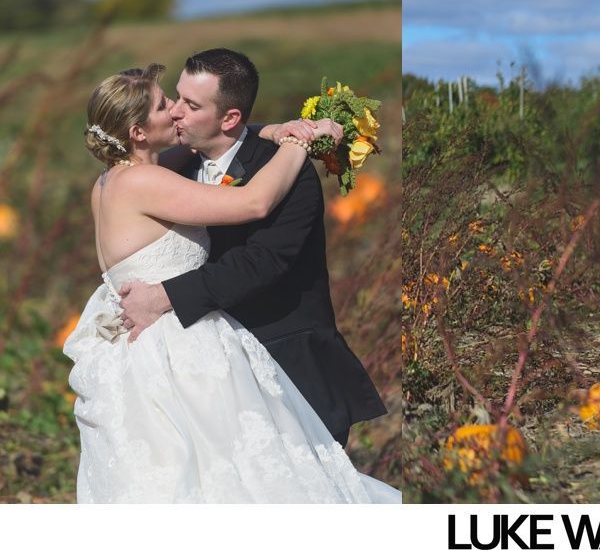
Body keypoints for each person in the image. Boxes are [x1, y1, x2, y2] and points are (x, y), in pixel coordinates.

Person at [64, 63, 399, 502]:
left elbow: (228, 139)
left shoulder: (111, 180)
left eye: (185, 102)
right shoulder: (147, 179)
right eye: (167, 104)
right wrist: (301, 141)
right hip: (176, 350)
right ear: (138, 132)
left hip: (146, 345)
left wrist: (274, 130)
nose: (176, 111)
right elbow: (253, 201)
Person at [116, 49, 386, 448]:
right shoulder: (175, 168)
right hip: (213, 373)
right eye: (176, 97)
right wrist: (273, 127)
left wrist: (163, 297)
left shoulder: (285, 171)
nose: (174, 111)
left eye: (191, 105)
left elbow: (260, 262)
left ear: (229, 118)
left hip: (286, 363)